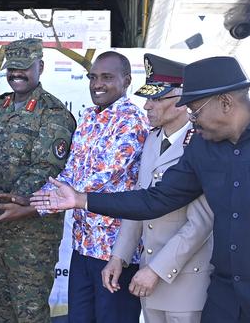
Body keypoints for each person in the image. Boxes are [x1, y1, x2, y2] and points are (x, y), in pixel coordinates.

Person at [32, 56, 250, 323]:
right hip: (225, 300)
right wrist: (81, 200)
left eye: (195, 110)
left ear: (226, 103)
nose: (192, 119)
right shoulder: (203, 148)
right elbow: (156, 200)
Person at [102, 54, 213, 323]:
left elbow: (201, 223)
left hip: (185, 283)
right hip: (148, 279)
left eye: (155, 99)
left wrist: (156, 270)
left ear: (180, 101)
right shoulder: (152, 139)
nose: (147, 106)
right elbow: (140, 203)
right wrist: (119, 256)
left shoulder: (201, 143)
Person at [0, 38, 76, 322]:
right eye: (12, 68)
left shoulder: (53, 114)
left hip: (32, 233)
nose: (16, 74)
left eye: (23, 68)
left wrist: (11, 201)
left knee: (29, 311)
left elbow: (46, 169)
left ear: (40, 66)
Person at [41, 51, 149, 323]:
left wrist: (56, 196)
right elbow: (72, 168)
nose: (97, 84)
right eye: (93, 77)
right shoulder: (88, 117)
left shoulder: (132, 119)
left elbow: (105, 173)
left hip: (115, 251)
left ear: (126, 80)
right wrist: (41, 197)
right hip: (83, 244)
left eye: (107, 77)